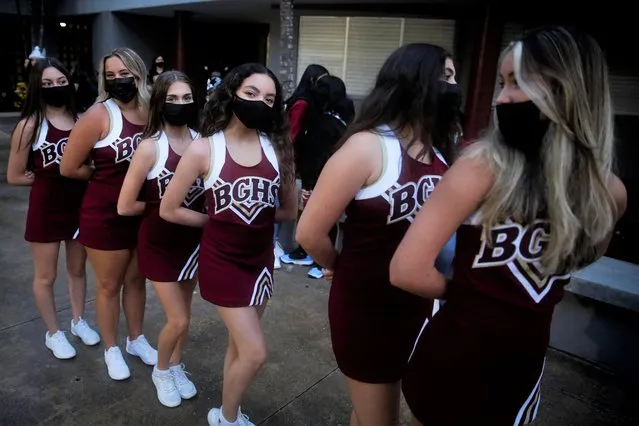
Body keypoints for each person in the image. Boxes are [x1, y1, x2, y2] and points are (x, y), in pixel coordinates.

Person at [390, 27, 627, 426]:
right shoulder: (480, 168)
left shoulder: (607, 191)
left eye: (516, 83)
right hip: (453, 358)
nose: (500, 98)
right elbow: (405, 270)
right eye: (502, 82)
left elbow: (582, 256)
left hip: (522, 370)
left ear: (567, 88)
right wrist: (467, 295)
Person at [296, 44, 461, 426]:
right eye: (444, 77)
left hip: (420, 308)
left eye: (454, 77)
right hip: (366, 310)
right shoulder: (367, 146)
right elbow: (309, 231)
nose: (453, 87)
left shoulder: (440, 149)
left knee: (371, 412)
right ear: (411, 81)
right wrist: (338, 265)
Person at [159, 63, 297, 426]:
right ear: (231, 93)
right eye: (251, 94)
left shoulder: (277, 149)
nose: (260, 103)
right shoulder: (205, 149)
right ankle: (227, 417)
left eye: (269, 99)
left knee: (240, 346)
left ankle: (227, 412)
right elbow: (169, 208)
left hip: (261, 263)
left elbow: (287, 210)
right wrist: (216, 221)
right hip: (222, 261)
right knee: (255, 352)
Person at [60, 47, 157, 381]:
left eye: (124, 74)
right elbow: (69, 166)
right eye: (111, 75)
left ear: (139, 73)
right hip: (104, 215)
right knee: (108, 285)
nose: (118, 80)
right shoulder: (98, 115)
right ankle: (112, 349)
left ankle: (136, 338)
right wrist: (101, 178)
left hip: (142, 212)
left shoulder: (152, 111)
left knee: (136, 279)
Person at [117, 70, 203, 407]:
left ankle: (176, 365)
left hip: (192, 243)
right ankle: (162, 370)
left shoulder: (202, 142)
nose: (180, 105)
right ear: (160, 103)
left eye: (186, 98)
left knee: (186, 311)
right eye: (172, 99)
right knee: (177, 317)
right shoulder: (150, 147)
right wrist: (162, 206)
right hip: (158, 243)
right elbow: (125, 205)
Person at [6, 57, 99, 359]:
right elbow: (14, 175)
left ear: (70, 84)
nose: (55, 88)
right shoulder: (30, 125)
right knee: (45, 276)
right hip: (46, 207)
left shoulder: (81, 120)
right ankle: (53, 333)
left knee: (77, 270)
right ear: (37, 87)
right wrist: (44, 176)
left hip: (79, 205)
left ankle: (77, 321)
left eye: (60, 82)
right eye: (47, 84)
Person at [297, 75, 354, 278]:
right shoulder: (344, 117)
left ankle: (320, 262)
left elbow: (314, 156)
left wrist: (308, 185)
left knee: (317, 223)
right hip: (341, 178)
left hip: (322, 179)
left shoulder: (321, 123)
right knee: (332, 221)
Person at [277, 63, 330, 267]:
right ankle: (286, 244)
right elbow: (294, 132)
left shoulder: (304, 101)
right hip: (296, 160)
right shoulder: (303, 103)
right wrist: (289, 158)